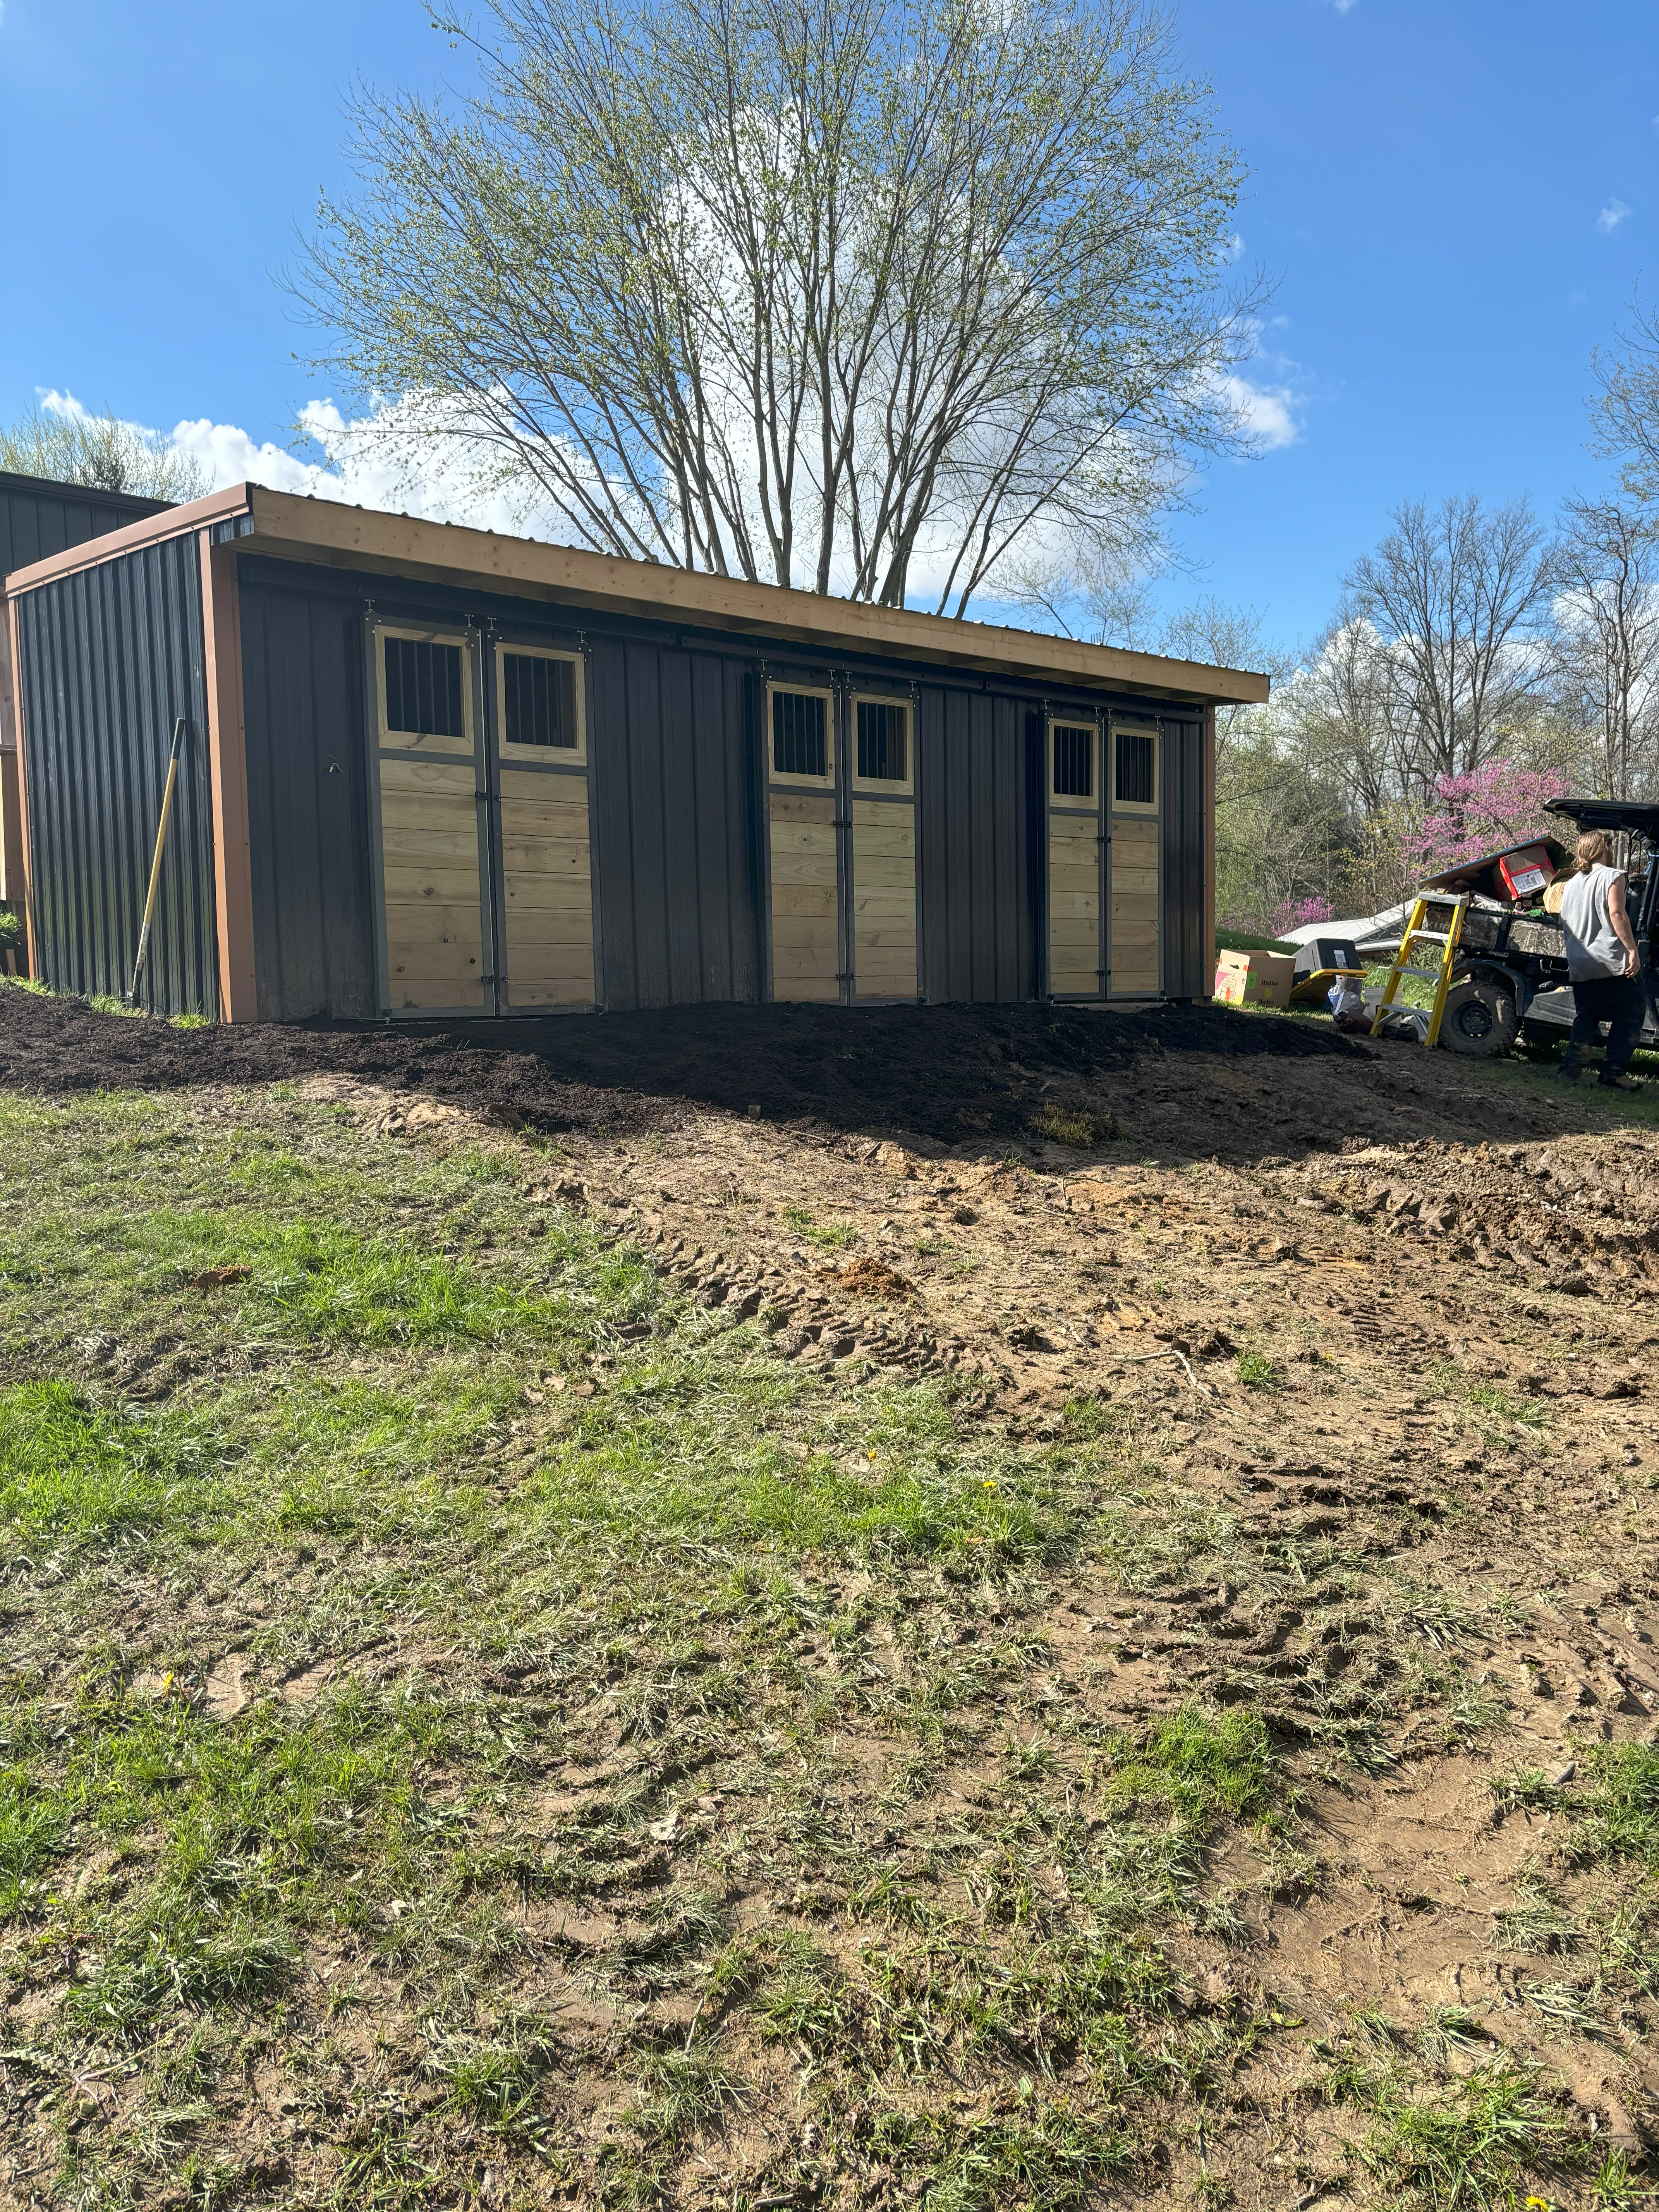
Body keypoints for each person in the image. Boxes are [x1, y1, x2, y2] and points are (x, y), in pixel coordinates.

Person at [1557, 831, 1645, 1088]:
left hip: (1580, 962)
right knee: (1632, 1012)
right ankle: (1613, 1072)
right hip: (1610, 961)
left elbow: (1563, 920)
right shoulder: (1613, 876)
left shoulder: (1571, 883)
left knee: (1587, 1016)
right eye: (1611, 845)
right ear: (1604, 848)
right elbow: (1617, 914)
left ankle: (1570, 1071)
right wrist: (1632, 950)